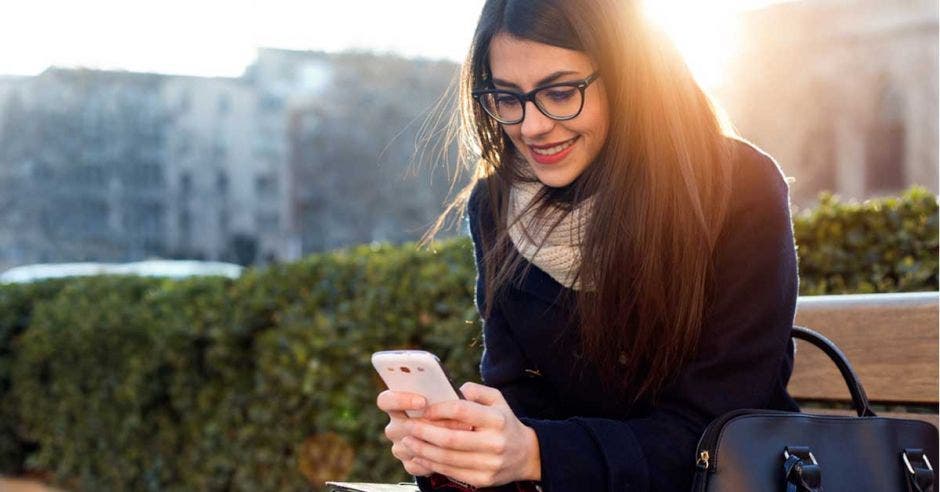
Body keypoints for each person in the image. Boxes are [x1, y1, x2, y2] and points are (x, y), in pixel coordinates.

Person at [377, 0, 801, 490]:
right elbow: (521, 403)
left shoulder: (738, 187)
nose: (531, 126)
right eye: (507, 97)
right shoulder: (496, 204)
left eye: (559, 92)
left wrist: (538, 452)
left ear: (629, 79)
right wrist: (458, 451)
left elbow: (718, 433)